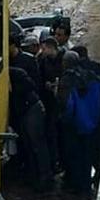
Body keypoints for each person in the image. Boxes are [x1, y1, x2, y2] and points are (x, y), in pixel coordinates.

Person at [59, 52, 100, 195]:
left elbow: (67, 104)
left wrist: (64, 119)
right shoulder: (91, 76)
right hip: (92, 122)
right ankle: (87, 183)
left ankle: (78, 186)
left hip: (74, 124)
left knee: (75, 155)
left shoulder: (67, 80)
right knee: (87, 155)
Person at [9, 66, 52, 191]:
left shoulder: (16, 73)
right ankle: (37, 176)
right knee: (32, 144)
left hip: (31, 109)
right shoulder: (17, 72)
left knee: (37, 144)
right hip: (28, 109)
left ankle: (44, 176)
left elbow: (30, 86)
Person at [38, 36, 63, 171]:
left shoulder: (63, 59)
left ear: (51, 48)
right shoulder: (43, 60)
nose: (42, 51)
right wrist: (46, 84)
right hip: (49, 101)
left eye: (44, 48)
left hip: (59, 102)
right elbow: (40, 77)